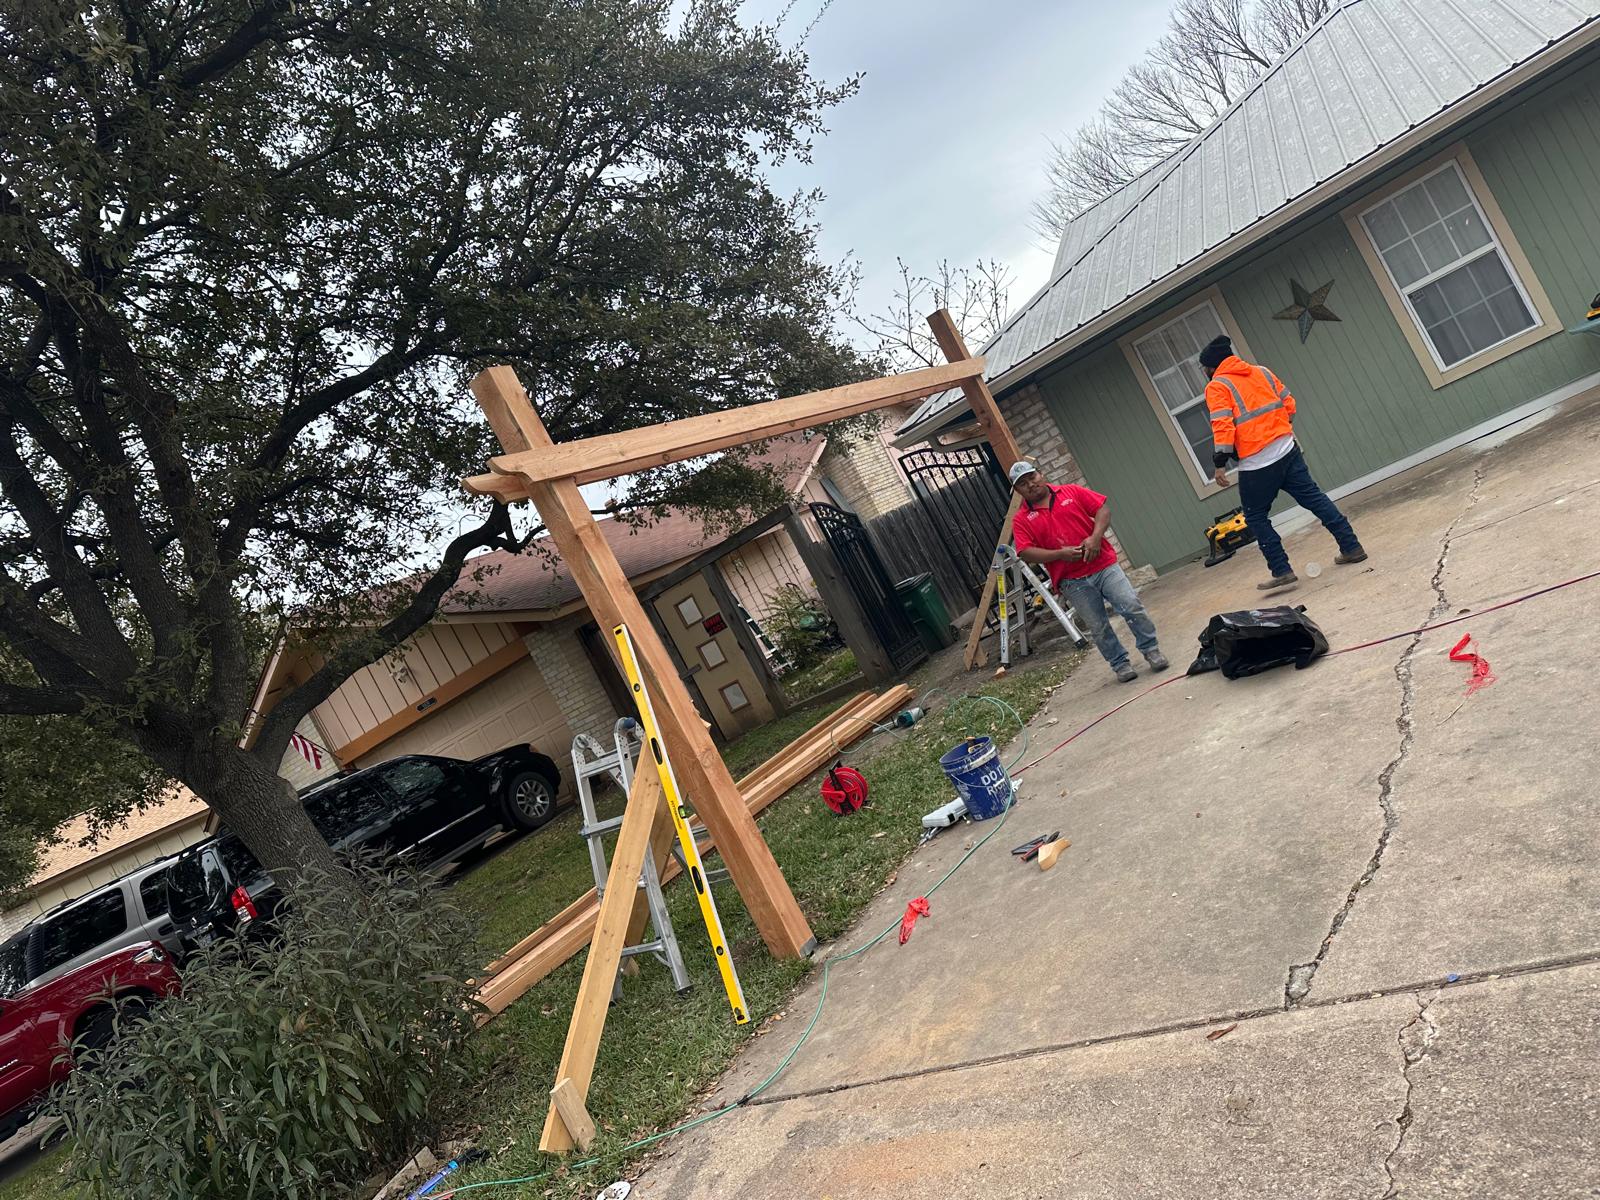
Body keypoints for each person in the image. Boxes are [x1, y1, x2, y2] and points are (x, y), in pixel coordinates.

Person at [1199, 335, 1366, 591]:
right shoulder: (1262, 372)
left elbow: (1223, 426)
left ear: (1212, 367)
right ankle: (1352, 547)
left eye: (1204, 368)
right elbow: (1289, 404)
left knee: (1255, 516)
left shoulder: (1217, 386)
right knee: (1314, 498)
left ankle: (1281, 571)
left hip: (1257, 463)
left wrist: (1219, 463)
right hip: (1288, 449)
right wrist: (1278, 430)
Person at [1009, 461, 1166, 683]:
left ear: (1041, 474)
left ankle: (1151, 650)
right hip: (1072, 581)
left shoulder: (1071, 491)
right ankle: (1120, 664)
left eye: (1032, 477)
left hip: (1103, 566)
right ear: (1018, 490)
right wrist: (1059, 554)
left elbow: (1102, 509)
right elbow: (1025, 552)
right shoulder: (1021, 519)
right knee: (1098, 626)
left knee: (1131, 605)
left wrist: (1095, 538)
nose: (1031, 484)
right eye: (1023, 483)